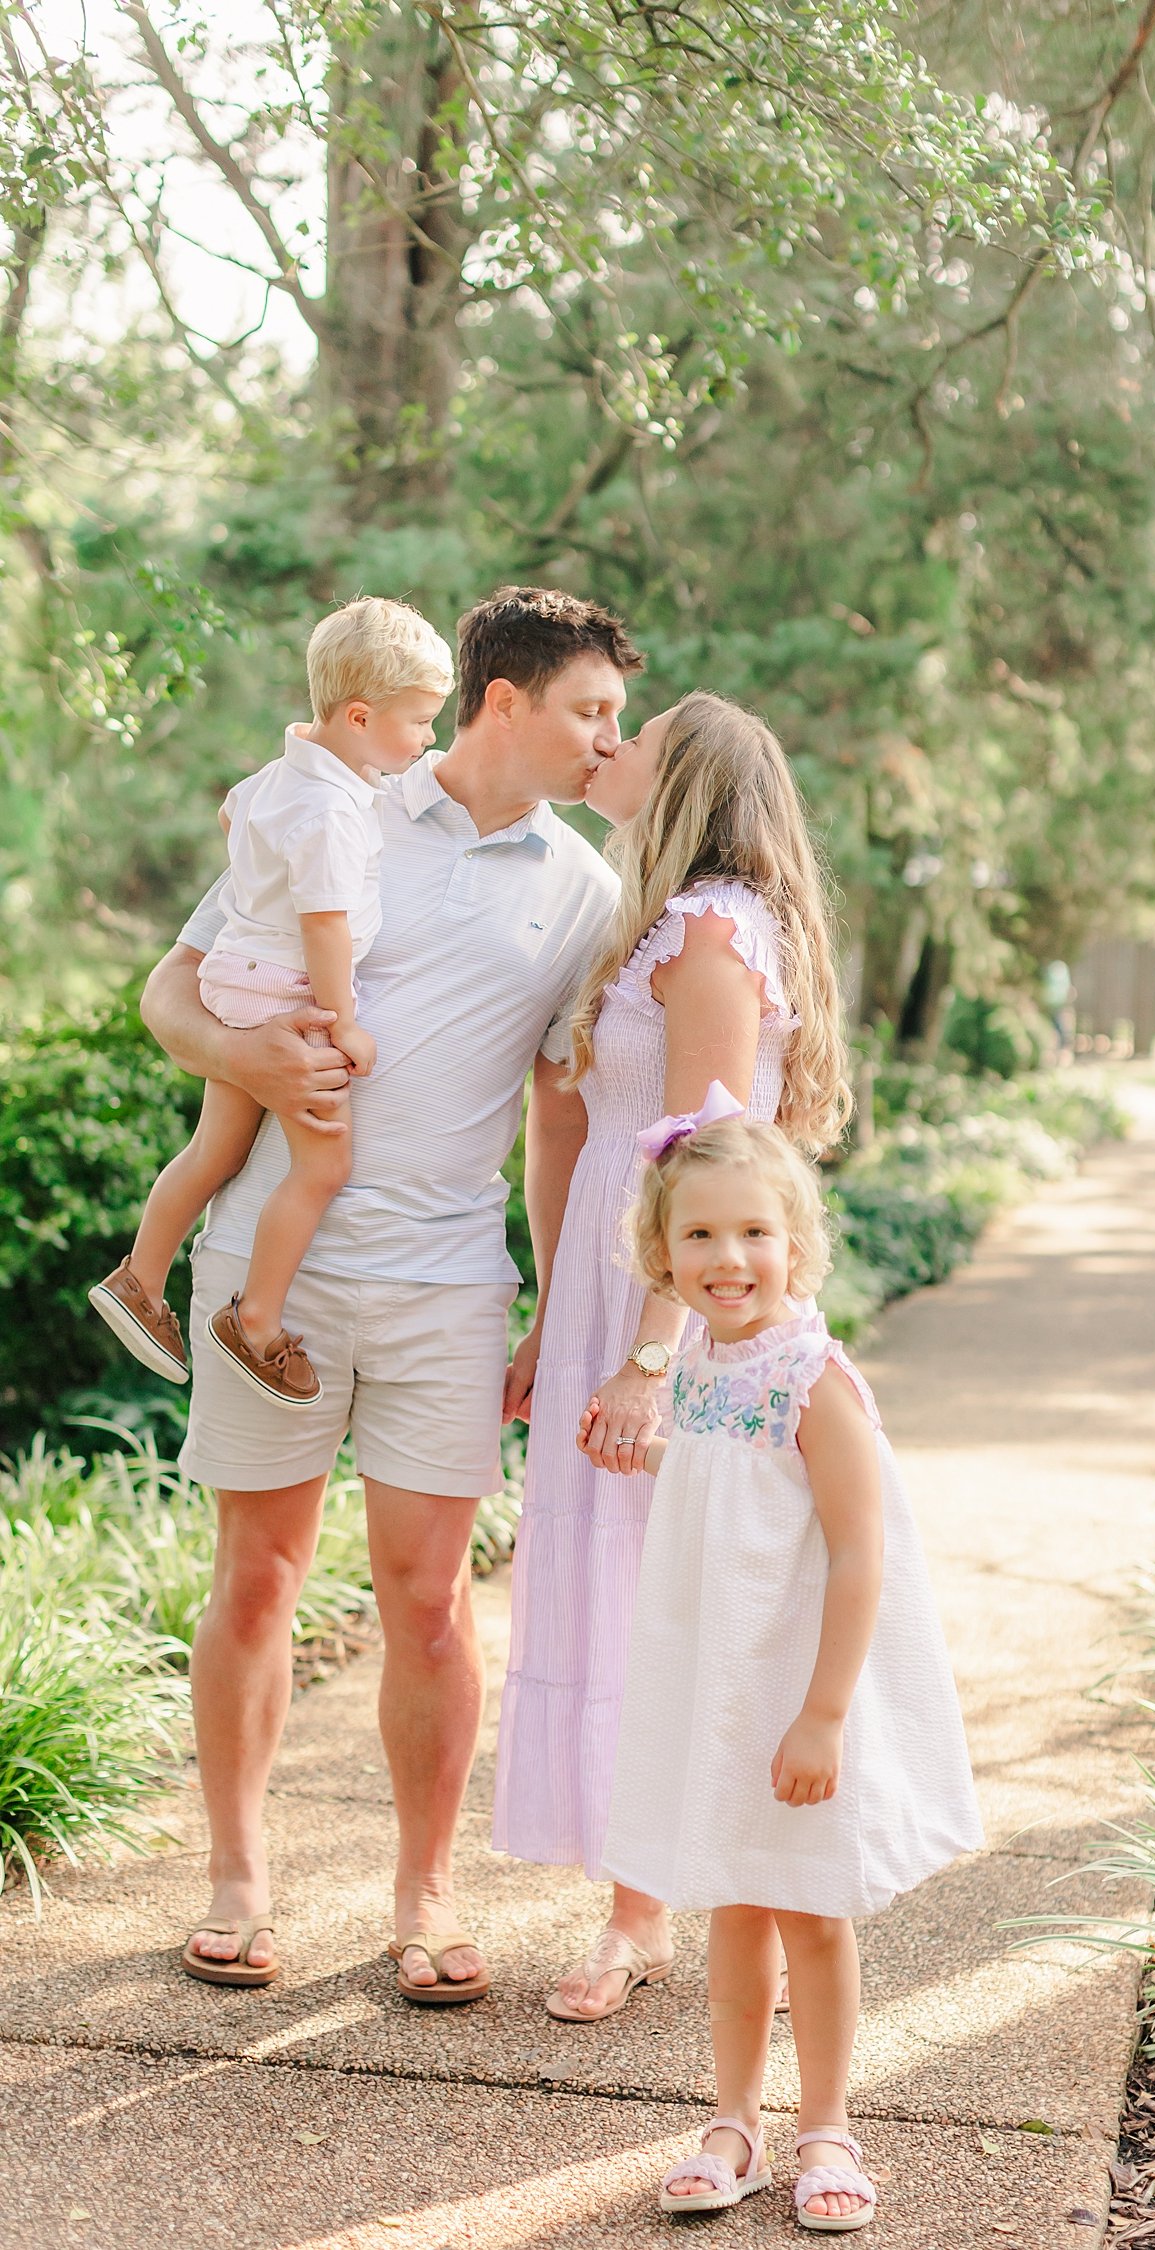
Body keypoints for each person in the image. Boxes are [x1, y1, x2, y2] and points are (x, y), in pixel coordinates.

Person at [135, 586, 642, 1997]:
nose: (611, 741)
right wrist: (248, 1063)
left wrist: (556, 1302)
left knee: (429, 1600)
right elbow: (171, 993)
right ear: (503, 704)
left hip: (443, 1283)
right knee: (260, 1579)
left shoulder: (586, 891)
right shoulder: (333, 802)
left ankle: (425, 1890)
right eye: (591, 712)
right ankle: (238, 1875)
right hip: (267, 1271)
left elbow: (561, 1116)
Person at [492, 692, 849, 2022]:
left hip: (670, 1308)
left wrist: (651, 1355)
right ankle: (642, 1895)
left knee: (649, 1590)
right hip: (606, 1287)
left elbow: (703, 1154)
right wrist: (556, 1321)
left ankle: (642, 1912)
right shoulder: (651, 922)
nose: (609, 746)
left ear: (683, 777)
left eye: (632, 737)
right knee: (613, 1580)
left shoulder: (709, 934)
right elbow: (585, 1138)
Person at [594, 1102, 984, 2231]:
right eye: (703, 1238)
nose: (730, 1259)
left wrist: (823, 1716)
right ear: (662, 1256)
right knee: (731, 1899)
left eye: (756, 1234)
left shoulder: (816, 1380)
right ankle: (732, 2123)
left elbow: (863, 1553)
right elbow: (730, 1500)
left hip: (802, 1687)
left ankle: (826, 2128)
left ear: (797, 1245)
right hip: (723, 1681)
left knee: (809, 1908)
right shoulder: (705, 1365)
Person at [90, 598, 454, 1408]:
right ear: (361, 716)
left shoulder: (289, 770)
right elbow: (326, 927)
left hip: (239, 975)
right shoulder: (332, 813)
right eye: (421, 721)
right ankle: (254, 1321)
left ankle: (140, 1277)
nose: (430, 737)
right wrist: (344, 1020)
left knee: (216, 1149)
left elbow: (233, 813)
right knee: (324, 1165)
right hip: (289, 990)